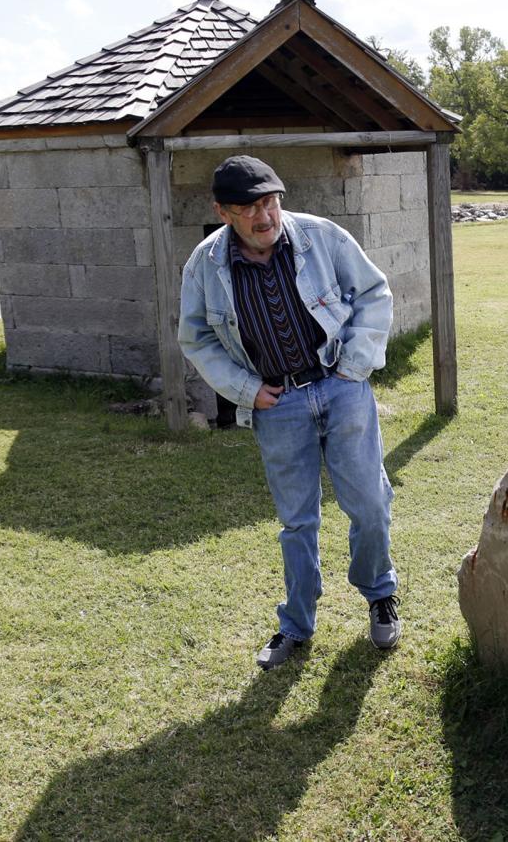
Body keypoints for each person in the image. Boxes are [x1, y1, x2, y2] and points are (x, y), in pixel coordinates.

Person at [178, 155, 400, 670]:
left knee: (368, 503)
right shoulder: (205, 265)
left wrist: (356, 363)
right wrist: (244, 389)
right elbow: (197, 337)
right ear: (222, 211)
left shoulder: (322, 237)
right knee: (297, 521)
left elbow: (374, 293)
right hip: (277, 405)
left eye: (270, 202)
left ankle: (379, 595)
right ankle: (296, 625)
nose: (264, 217)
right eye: (248, 207)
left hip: (342, 388)